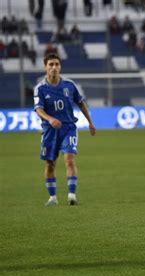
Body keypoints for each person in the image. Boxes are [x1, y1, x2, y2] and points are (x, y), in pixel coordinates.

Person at [34, 53, 96, 206]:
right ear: (46, 67)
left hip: (68, 128)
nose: (54, 67)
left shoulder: (69, 85)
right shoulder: (40, 88)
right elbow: (38, 109)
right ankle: (53, 198)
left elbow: (81, 103)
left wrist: (90, 122)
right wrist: (50, 119)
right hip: (49, 130)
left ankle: (72, 195)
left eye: (56, 64)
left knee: (69, 159)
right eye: (51, 65)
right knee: (50, 164)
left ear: (60, 66)